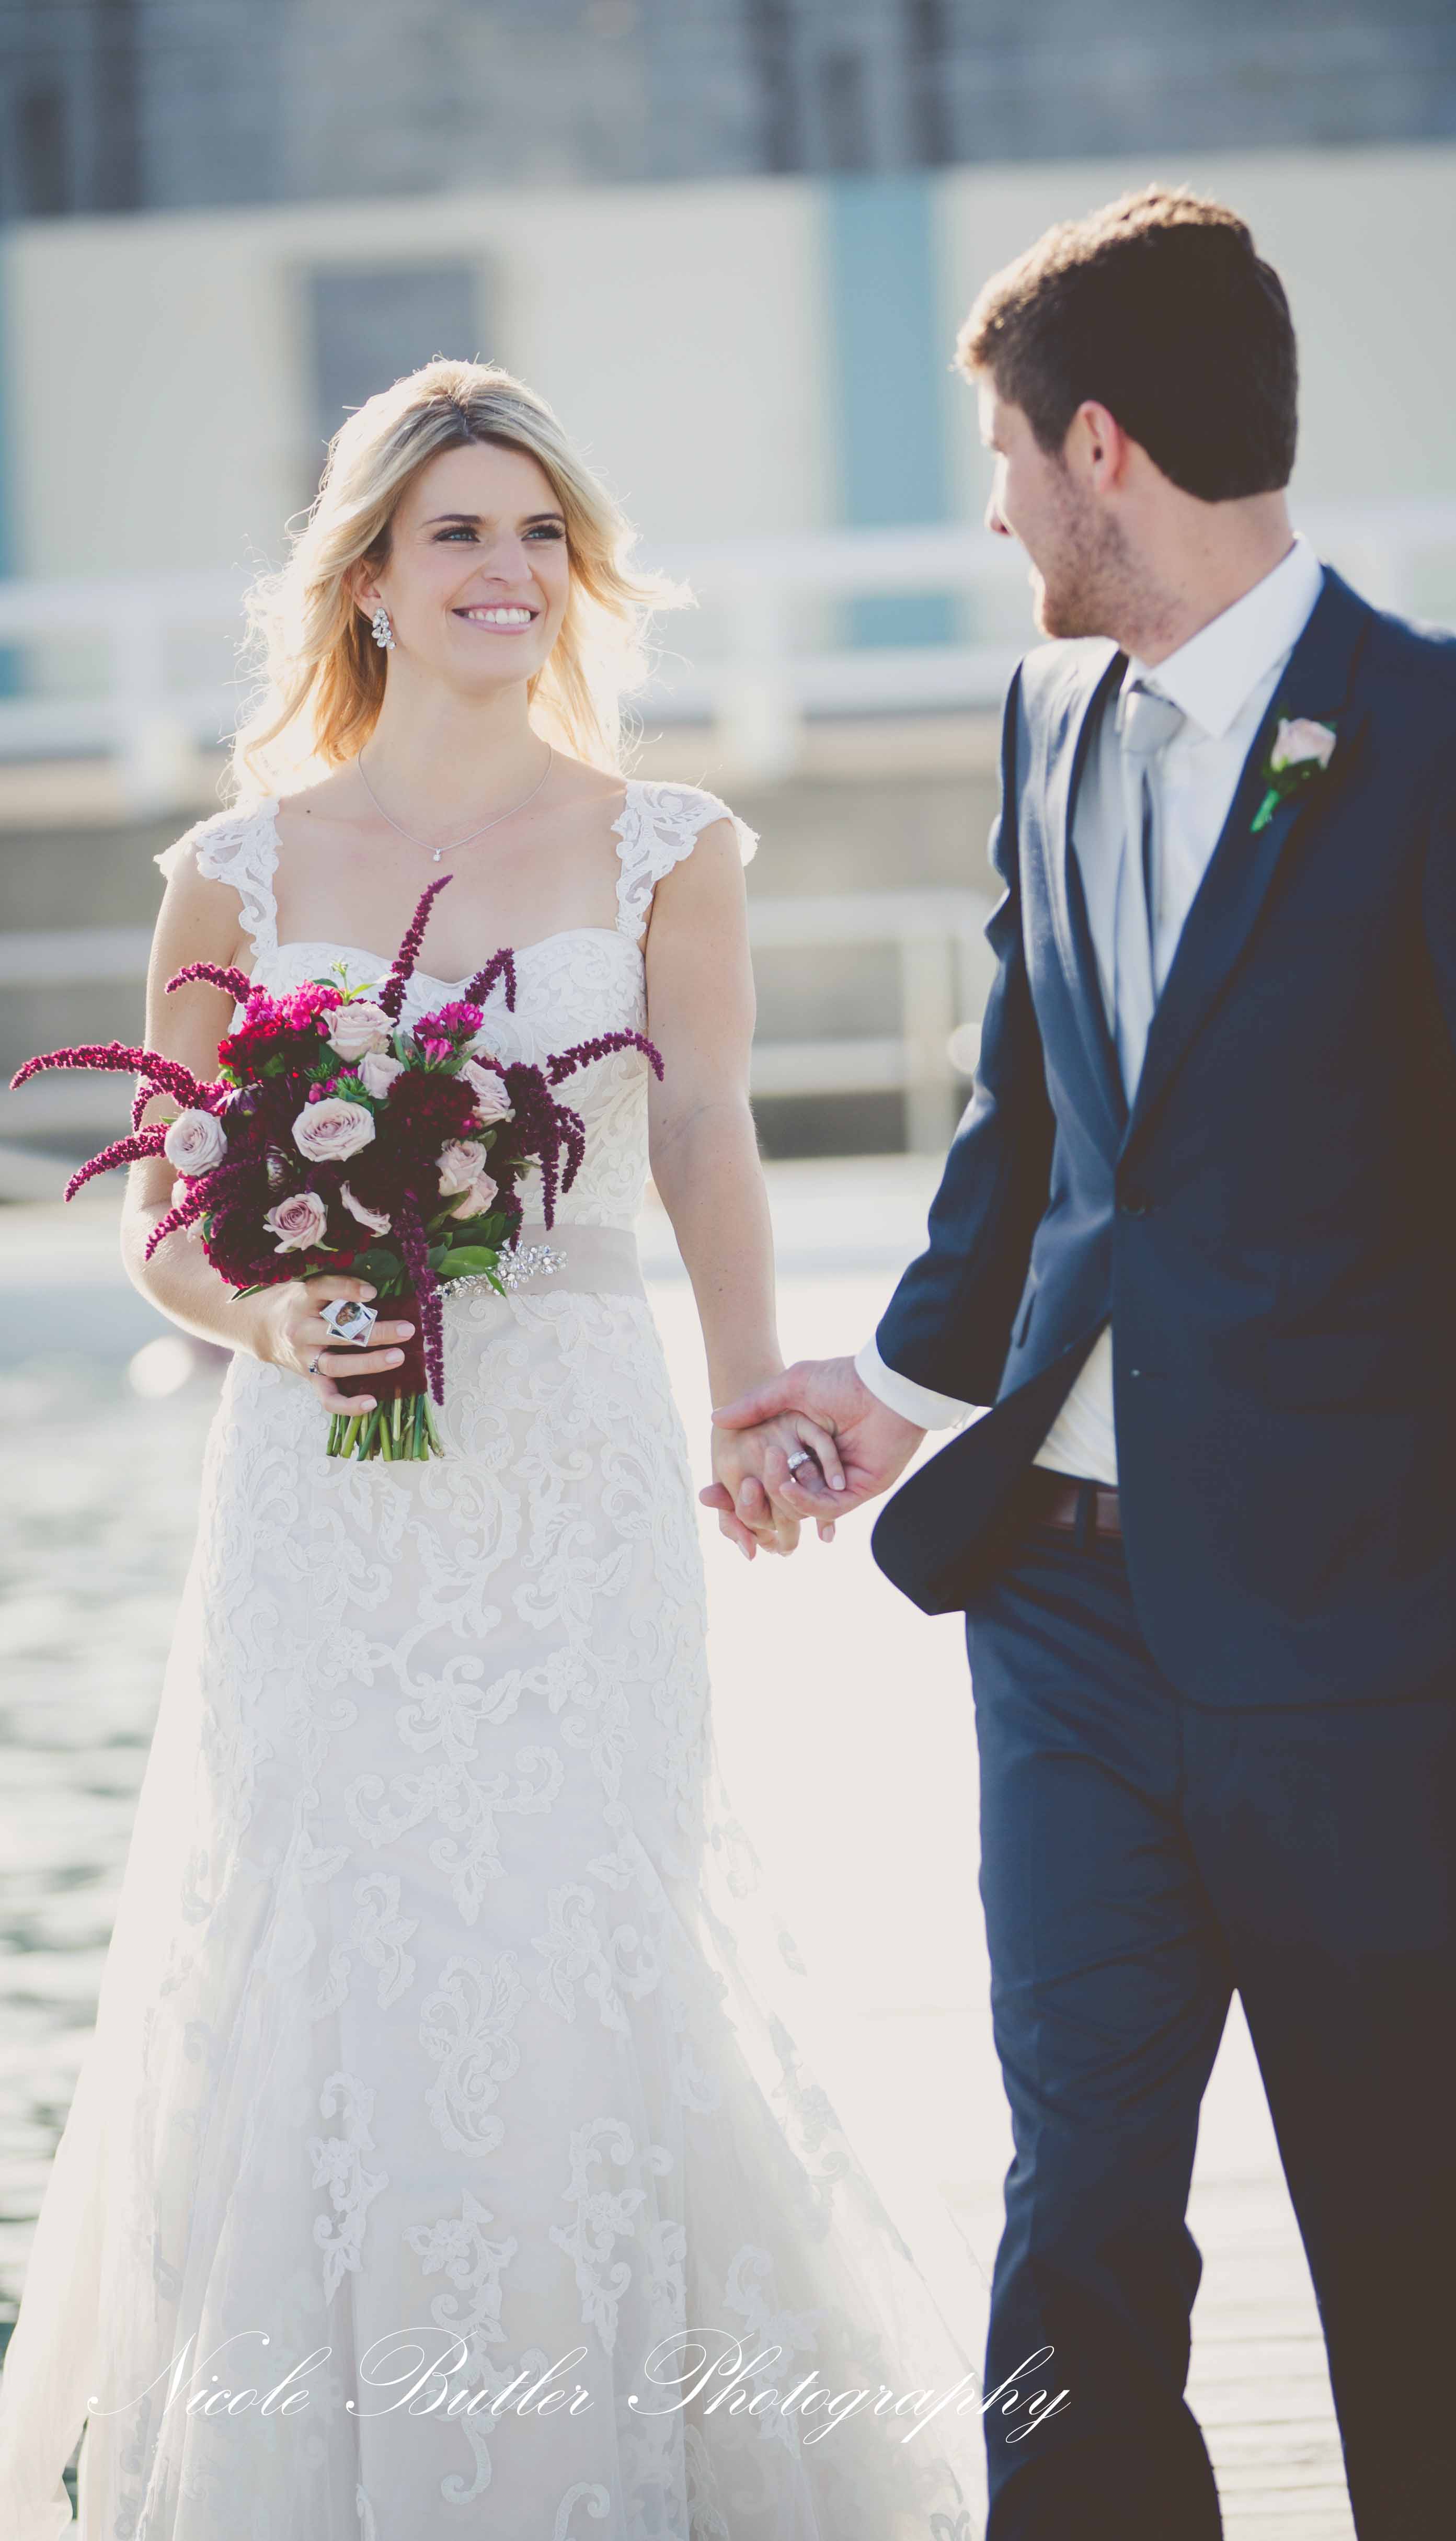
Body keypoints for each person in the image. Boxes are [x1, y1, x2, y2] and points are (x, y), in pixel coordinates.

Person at [710, 187, 1456, 2539]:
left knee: (1417, 2223)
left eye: (1003, 454)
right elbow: (1032, 1129)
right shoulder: (1046, 719)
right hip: (1060, 1617)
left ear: (1100, 449)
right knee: (1074, 2220)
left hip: (1367, 1641)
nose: (993, 509)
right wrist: (895, 1392)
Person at [0, 361, 985, 2540]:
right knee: (333, 1957)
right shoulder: (235, 873)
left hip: (575, 1469)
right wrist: (269, 1316)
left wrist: (750, 1398)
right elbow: (165, 1211)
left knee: (576, 1939)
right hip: (320, 1495)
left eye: (542, 534)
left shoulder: (668, 844)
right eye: (459, 531)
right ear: (366, 576)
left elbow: (707, 1137)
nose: (509, 571)